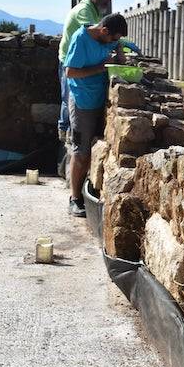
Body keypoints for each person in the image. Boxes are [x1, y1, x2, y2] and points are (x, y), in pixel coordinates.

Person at [64, 13, 126, 217]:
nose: (114, 43)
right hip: (83, 101)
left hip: (99, 99)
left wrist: (117, 48)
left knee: (91, 151)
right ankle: (74, 199)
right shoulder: (81, 39)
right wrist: (100, 67)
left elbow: (119, 52)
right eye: (113, 38)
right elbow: (70, 71)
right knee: (81, 153)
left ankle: (84, 191)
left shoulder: (105, 38)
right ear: (104, 30)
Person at [59, 0, 114, 140]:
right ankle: (65, 131)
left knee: (69, 96)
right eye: (106, 0)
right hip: (69, 60)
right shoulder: (85, 11)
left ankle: (69, 130)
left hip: (76, 59)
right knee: (68, 96)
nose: (108, 4)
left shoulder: (93, 10)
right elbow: (93, 34)